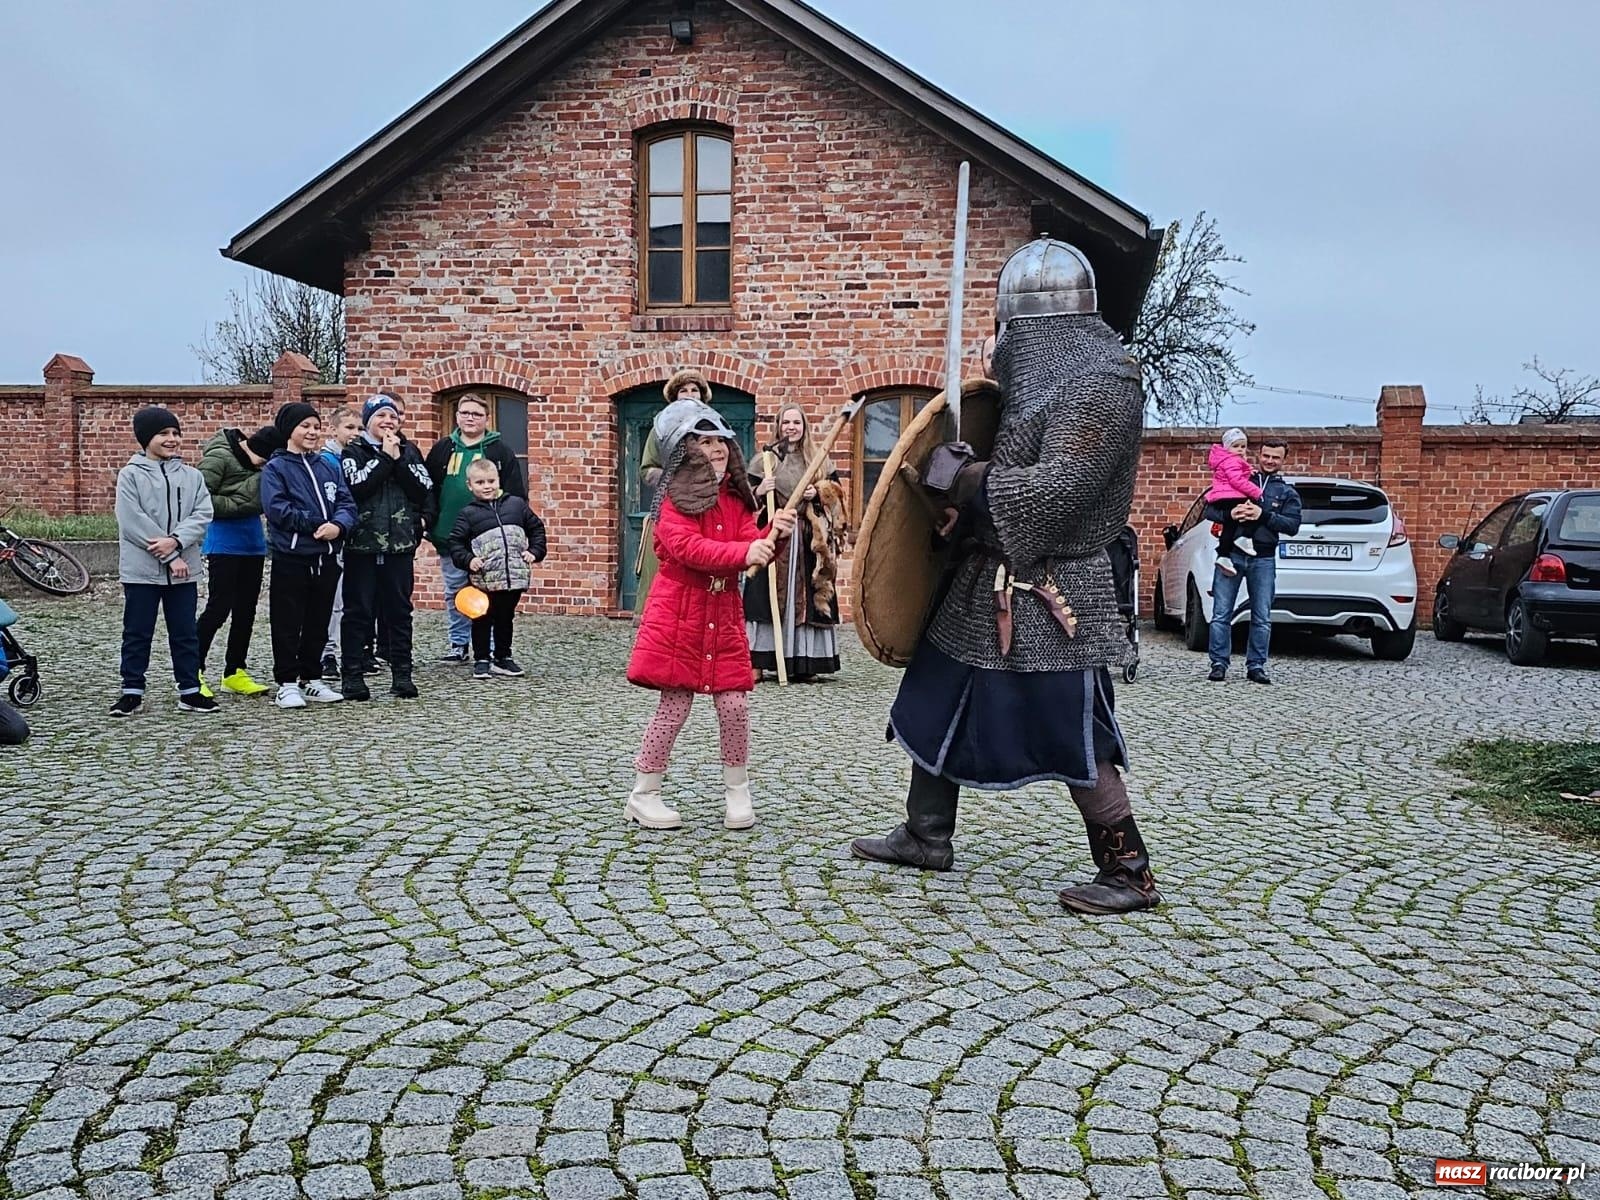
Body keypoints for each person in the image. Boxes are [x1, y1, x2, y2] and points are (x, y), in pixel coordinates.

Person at [850, 236, 1162, 916]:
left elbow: (1062, 489)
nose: (1002, 343)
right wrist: (955, 503)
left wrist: (965, 478)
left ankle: (1129, 869)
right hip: (987, 577)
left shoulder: (1099, 382)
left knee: (1075, 729)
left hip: (1057, 591)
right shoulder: (1041, 381)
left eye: (1007, 330)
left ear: (1027, 325)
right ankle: (926, 834)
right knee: (936, 692)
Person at [623, 403, 795, 831]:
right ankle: (644, 793)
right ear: (683, 449)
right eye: (703, 440)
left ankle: (737, 791)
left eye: (720, 440)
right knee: (674, 706)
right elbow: (687, 548)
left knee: (735, 705)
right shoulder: (671, 503)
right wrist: (744, 552)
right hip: (681, 612)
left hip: (723, 612)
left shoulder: (733, 499)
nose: (716, 448)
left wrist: (774, 534)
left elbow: (748, 542)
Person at [110, 407, 217, 717]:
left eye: (175, 433)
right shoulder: (130, 476)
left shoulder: (192, 476)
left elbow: (202, 514)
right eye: (163, 434)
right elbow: (132, 522)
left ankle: (190, 690)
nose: (172, 439)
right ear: (146, 439)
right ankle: (132, 691)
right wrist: (170, 555)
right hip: (142, 570)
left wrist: (177, 541)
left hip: (185, 568)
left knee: (185, 632)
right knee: (137, 631)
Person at [260, 402, 357, 709]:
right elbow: (278, 510)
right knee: (288, 621)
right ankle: (287, 683)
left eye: (316, 426)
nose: (312, 432)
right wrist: (318, 525)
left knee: (319, 620)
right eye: (305, 426)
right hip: (293, 556)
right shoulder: (276, 469)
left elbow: (346, 502)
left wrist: (339, 526)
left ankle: (312, 677)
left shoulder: (328, 465)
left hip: (327, 556)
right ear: (290, 430)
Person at [744, 404, 848, 681]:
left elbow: (837, 497)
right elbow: (743, 500)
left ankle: (806, 661)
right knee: (763, 598)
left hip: (808, 537)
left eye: (797, 423)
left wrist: (819, 492)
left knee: (810, 597)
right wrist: (759, 490)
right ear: (778, 425)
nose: (791, 427)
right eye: (786, 422)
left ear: (804, 427)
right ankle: (759, 659)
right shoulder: (765, 460)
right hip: (774, 534)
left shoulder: (819, 459)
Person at [340, 392, 432, 701]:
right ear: (368, 421)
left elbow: (422, 490)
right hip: (362, 546)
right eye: (381, 416)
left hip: (400, 546)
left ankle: (402, 675)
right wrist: (383, 458)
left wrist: (398, 460)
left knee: (399, 612)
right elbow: (358, 485)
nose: (388, 421)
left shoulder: (409, 451)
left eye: (393, 417)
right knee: (358, 612)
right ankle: (352, 675)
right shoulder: (353, 451)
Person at [424, 392, 527, 663]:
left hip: (491, 535)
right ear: (457, 416)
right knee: (456, 591)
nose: (470, 418)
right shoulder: (443, 449)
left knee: (492, 592)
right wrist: (429, 520)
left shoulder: (499, 451)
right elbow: (428, 488)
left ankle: (490, 647)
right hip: (451, 534)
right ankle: (459, 644)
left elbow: (516, 494)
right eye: (465, 413)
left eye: (477, 414)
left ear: (486, 419)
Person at [195, 423, 283, 697]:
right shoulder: (219, 457)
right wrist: (236, 505)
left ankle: (234, 671)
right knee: (219, 607)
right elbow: (199, 497)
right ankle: (192, 668)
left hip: (252, 542)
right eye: (263, 461)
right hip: (224, 542)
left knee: (246, 611)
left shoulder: (265, 465)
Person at [1206, 438, 1301, 685]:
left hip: (1264, 558)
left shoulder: (1286, 492)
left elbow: (1292, 526)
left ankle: (1256, 666)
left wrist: (1264, 514)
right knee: (1220, 614)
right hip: (1231, 555)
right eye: (1266, 455)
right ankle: (1218, 663)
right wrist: (1230, 514)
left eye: (1275, 457)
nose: (1270, 461)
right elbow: (1210, 509)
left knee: (1262, 616)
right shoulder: (1239, 475)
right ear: (1259, 455)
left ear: (1283, 460)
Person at [447, 459, 548, 680]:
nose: (487, 486)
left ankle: (503, 657)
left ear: (498, 481)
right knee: (482, 618)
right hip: (484, 579)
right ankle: (482, 659)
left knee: (505, 618)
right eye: (480, 482)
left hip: (513, 577)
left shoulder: (516, 505)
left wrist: (535, 551)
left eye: (491, 481)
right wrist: (469, 560)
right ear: (470, 485)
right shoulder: (468, 514)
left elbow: (536, 528)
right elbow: (455, 544)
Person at [634, 370, 714, 616]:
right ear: (675, 397)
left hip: (705, 505)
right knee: (664, 573)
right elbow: (647, 469)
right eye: (684, 390)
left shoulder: (712, 424)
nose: (689, 395)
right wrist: (673, 477)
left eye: (694, 390)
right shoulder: (662, 427)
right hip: (670, 506)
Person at [319, 405, 364, 680]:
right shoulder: (326, 461)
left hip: (355, 536)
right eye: (349, 428)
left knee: (352, 600)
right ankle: (328, 654)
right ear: (333, 429)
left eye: (359, 428)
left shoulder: (360, 457)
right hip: (335, 537)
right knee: (333, 600)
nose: (355, 433)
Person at [1204, 427, 1264, 578]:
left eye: (1243, 446)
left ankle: (1224, 556)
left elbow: (1238, 472)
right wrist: (1257, 492)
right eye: (1235, 446)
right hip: (1230, 495)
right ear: (1227, 447)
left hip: (1224, 496)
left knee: (1230, 526)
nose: (1240, 450)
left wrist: (1249, 471)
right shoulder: (1231, 461)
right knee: (1252, 510)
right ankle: (1244, 537)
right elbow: (1236, 480)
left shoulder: (1228, 460)